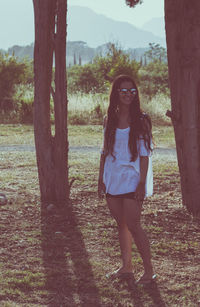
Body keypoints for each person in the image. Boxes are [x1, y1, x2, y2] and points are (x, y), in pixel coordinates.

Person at [98, 74, 156, 284]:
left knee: (133, 224)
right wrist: (100, 179)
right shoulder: (109, 119)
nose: (128, 95)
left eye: (132, 91)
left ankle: (149, 271)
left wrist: (141, 183)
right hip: (113, 178)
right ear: (116, 94)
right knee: (120, 223)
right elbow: (104, 151)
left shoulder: (141, 120)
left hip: (133, 180)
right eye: (123, 91)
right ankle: (127, 268)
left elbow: (144, 154)